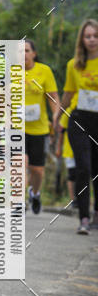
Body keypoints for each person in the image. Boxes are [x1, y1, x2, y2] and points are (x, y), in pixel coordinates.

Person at [57, 19, 98, 234]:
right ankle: (83, 217)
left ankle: (96, 214)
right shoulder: (74, 64)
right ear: (82, 39)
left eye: (95, 36)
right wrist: (58, 116)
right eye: (87, 36)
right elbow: (68, 94)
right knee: (83, 167)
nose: (91, 40)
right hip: (80, 120)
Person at [24, 39, 58, 214]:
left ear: (34, 54)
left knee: (37, 170)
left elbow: (53, 97)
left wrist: (57, 117)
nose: (23, 54)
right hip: (17, 128)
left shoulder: (44, 71)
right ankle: (19, 201)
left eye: (27, 51)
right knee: (19, 163)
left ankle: (34, 193)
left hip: (39, 129)